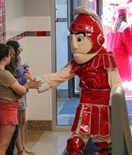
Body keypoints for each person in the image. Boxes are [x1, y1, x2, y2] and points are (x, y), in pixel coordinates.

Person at [36, 6, 122, 155]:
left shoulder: (106, 57)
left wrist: (116, 103)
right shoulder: (77, 61)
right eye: (73, 38)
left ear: (96, 38)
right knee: (79, 134)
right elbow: (59, 76)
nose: (74, 45)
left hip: (104, 102)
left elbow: (116, 84)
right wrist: (36, 83)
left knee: (104, 136)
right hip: (86, 102)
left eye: (80, 38)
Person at [0, 43, 40, 155]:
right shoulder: (4, 74)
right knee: (3, 146)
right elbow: (21, 90)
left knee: (1, 144)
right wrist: (29, 85)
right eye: (9, 55)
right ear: (5, 57)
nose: (11, 57)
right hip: (7, 111)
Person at [6, 40, 35, 155]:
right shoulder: (9, 64)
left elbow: (22, 72)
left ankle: (23, 145)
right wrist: (26, 81)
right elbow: (15, 79)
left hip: (23, 90)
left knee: (22, 120)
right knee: (18, 121)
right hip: (18, 92)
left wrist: (28, 75)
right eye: (18, 50)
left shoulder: (18, 60)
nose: (20, 51)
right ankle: (20, 149)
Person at [109, 6, 132, 82]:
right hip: (122, 54)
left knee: (116, 74)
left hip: (114, 53)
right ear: (125, 15)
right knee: (123, 74)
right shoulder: (125, 26)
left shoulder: (114, 25)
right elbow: (128, 42)